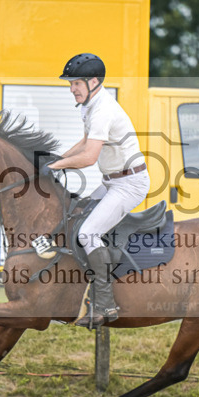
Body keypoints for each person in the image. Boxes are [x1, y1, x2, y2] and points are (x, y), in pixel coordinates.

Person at [45, 53, 150, 329]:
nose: (72, 89)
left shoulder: (103, 108)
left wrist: (56, 166)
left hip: (130, 184)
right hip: (112, 182)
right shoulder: (89, 105)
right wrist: (54, 160)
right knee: (78, 217)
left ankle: (105, 304)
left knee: (87, 233)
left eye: (75, 84)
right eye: (70, 84)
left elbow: (90, 157)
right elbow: (84, 142)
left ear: (93, 82)